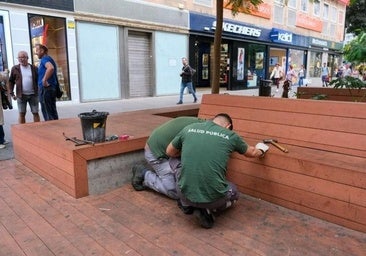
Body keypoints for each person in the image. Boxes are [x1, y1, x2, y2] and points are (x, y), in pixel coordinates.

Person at [166, 113, 269, 228]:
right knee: (234, 191)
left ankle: (186, 203)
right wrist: (262, 148)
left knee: (173, 161)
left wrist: (189, 152)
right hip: (212, 200)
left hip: (183, 193)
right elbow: (253, 153)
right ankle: (208, 209)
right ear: (228, 126)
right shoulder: (231, 136)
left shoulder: (189, 128)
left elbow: (169, 152)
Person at [131, 116, 204, 199]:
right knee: (175, 192)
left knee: (182, 183)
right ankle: (144, 174)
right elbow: (172, 152)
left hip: (166, 149)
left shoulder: (201, 124)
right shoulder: (197, 133)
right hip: (156, 154)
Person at [8, 51, 40, 124]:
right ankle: (22, 130)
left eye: (23, 57)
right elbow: (11, 81)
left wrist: (40, 91)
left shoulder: (33, 68)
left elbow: (38, 80)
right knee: (22, 113)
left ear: (27, 58)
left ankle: (38, 128)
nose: (21, 59)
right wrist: (11, 93)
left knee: (35, 112)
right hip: (21, 95)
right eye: (19, 57)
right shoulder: (15, 68)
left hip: (33, 95)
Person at [35, 44, 59, 121]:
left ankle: (51, 131)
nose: (36, 53)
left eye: (37, 51)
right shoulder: (49, 59)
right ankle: (56, 130)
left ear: (42, 51)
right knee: (52, 111)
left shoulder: (44, 59)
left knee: (47, 112)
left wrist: (44, 80)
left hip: (46, 89)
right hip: (51, 88)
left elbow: (50, 68)